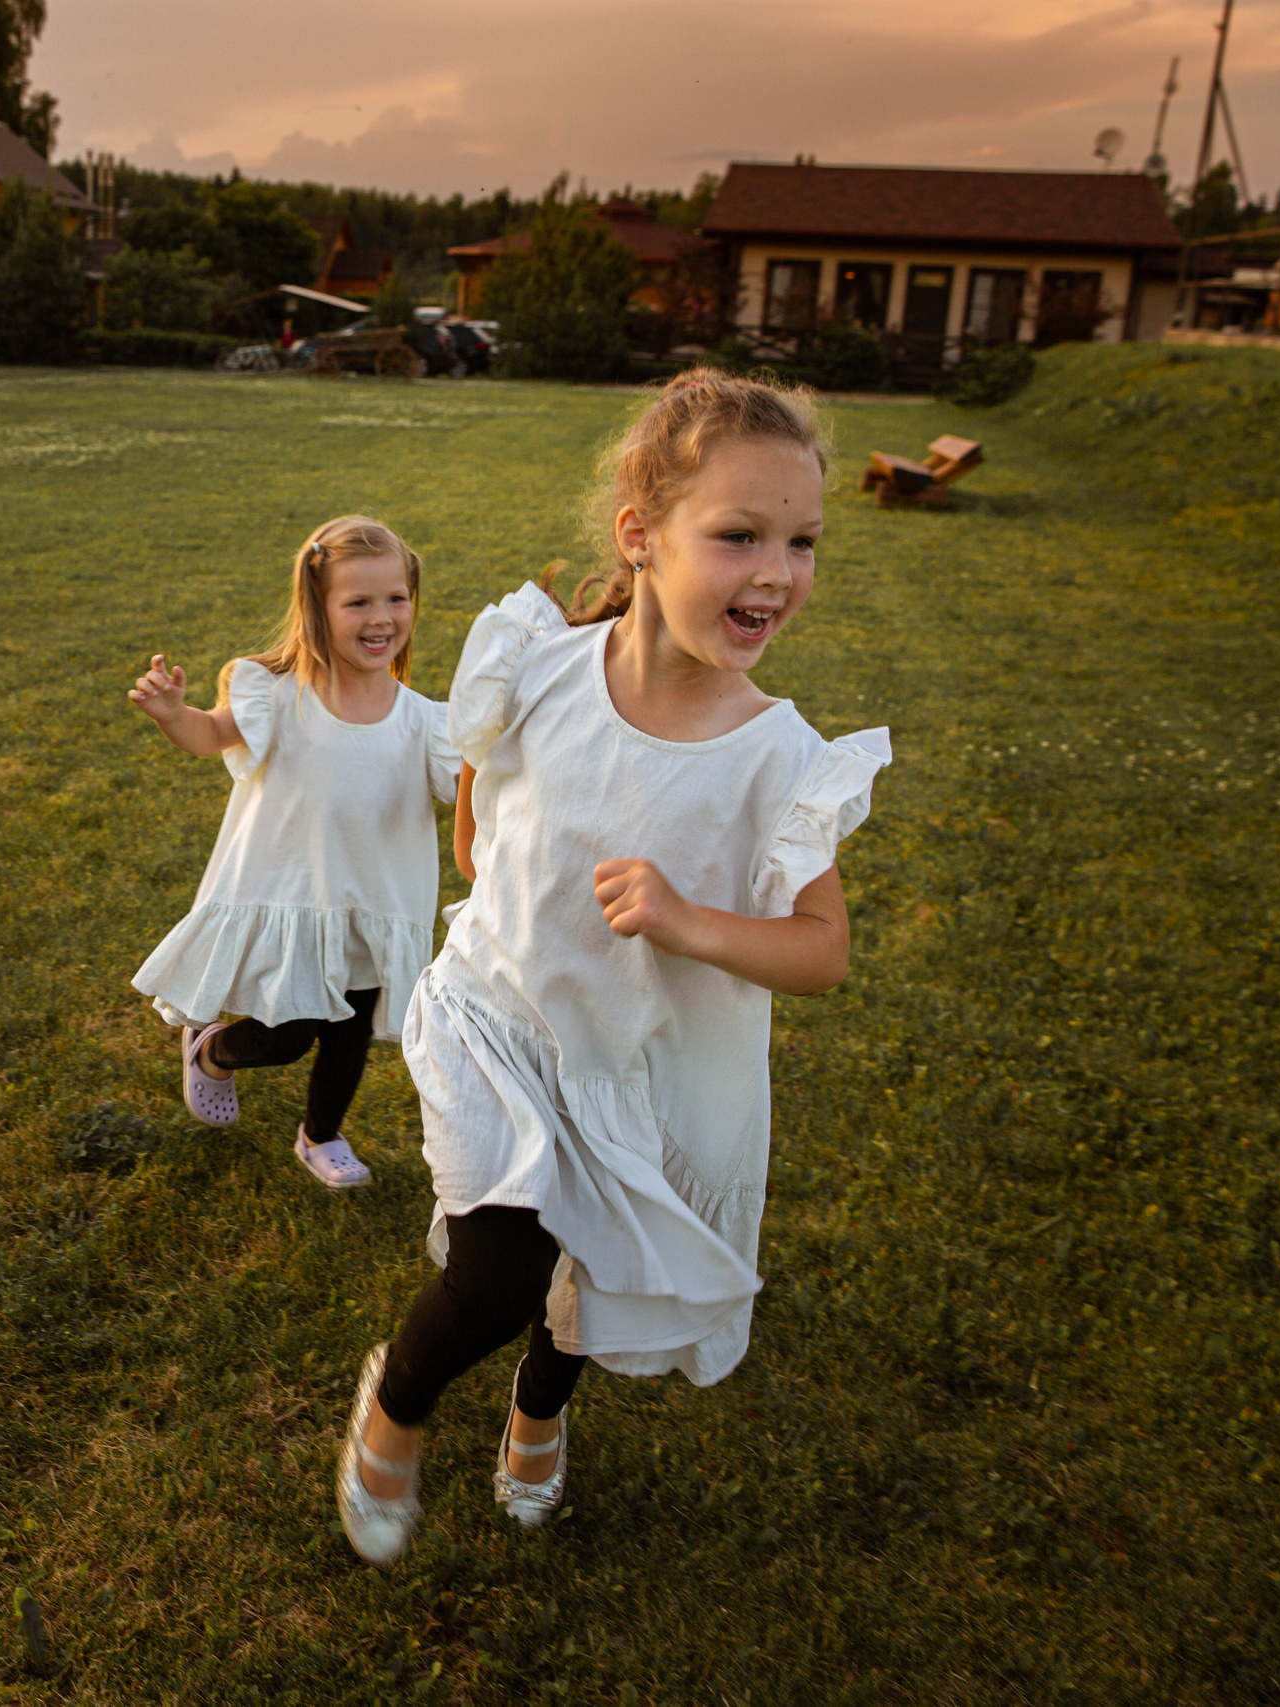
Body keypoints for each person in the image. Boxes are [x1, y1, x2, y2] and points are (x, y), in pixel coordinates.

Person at [334, 371, 893, 1564]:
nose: (776, 574)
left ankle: (539, 1416)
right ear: (639, 538)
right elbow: (482, 764)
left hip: (647, 1065)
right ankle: (397, 1405)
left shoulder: (777, 760)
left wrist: (692, 923)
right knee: (499, 1267)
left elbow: (822, 951)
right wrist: (479, 849)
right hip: (505, 1021)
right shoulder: (540, 665)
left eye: (801, 543)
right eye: (738, 536)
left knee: (599, 1272)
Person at [129, 516, 460, 1190]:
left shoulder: (425, 721)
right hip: (295, 899)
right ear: (318, 607)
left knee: (349, 1037)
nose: (382, 617)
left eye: (396, 598)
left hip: (376, 904)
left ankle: (322, 1134)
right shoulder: (276, 695)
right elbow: (209, 734)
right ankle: (213, 1049)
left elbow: (476, 790)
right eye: (358, 602)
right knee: (289, 1033)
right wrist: (172, 715)